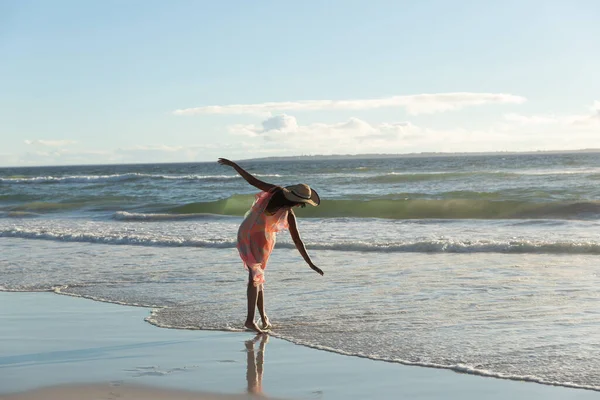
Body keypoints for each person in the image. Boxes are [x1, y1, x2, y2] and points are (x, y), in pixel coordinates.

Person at [218, 158, 324, 333]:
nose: (300, 205)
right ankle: (250, 320)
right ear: (296, 201)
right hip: (258, 239)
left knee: (257, 277)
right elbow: (298, 241)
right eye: (301, 203)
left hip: (247, 232)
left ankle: (263, 317)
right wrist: (310, 264)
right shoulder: (287, 212)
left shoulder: (277, 196)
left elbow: (252, 180)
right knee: (255, 278)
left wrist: (234, 165)